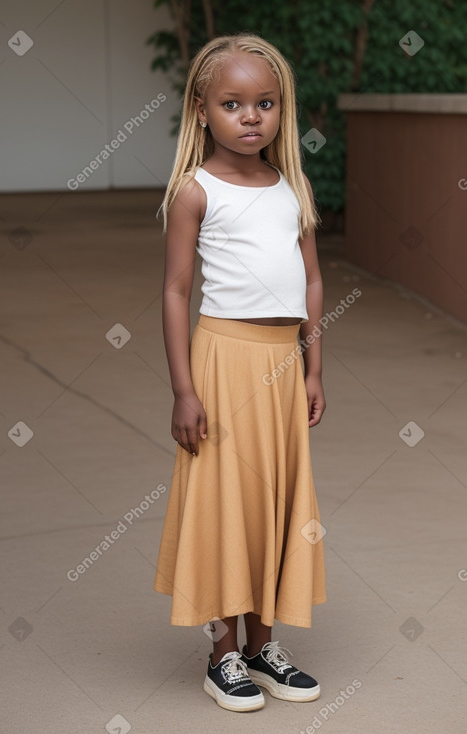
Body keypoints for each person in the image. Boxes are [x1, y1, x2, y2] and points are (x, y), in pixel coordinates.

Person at [153, 32, 327, 713]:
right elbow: (174, 291)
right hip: (221, 365)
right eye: (232, 103)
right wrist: (183, 388)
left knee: (276, 504)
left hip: (282, 366)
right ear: (201, 110)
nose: (250, 116)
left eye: (264, 103)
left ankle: (262, 647)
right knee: (224, 503)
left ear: (280, 110)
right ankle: (220, 652)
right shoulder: (195, 191)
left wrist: (314, 368)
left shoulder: (292, 186)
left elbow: (312, 282)